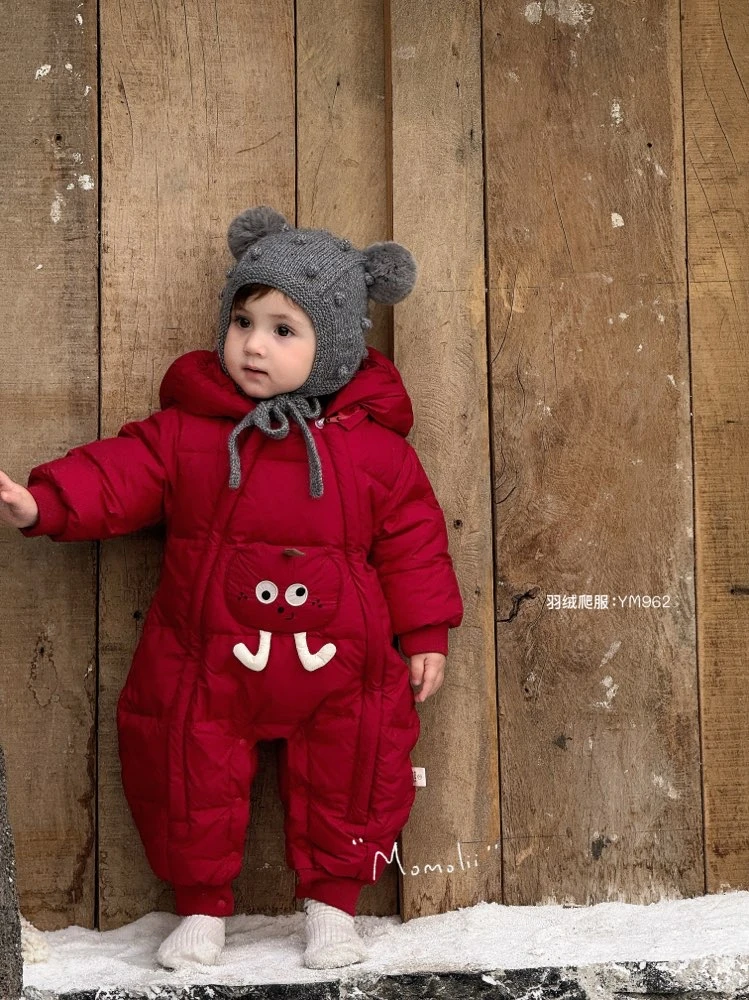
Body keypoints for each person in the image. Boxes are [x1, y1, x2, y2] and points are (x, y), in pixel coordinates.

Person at [0, 205, 464, 970]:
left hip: (340, 666)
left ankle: (332, 910)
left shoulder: (376, 453)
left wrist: (424, 635)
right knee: (183, 763)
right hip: (205, 656)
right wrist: (44, 504)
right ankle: (201, 910)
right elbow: (119, 474)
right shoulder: (191, 432)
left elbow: (415, 542)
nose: (253, 343)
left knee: (357, 767)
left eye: (285, 329)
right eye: (244, 319)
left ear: (336, 344)